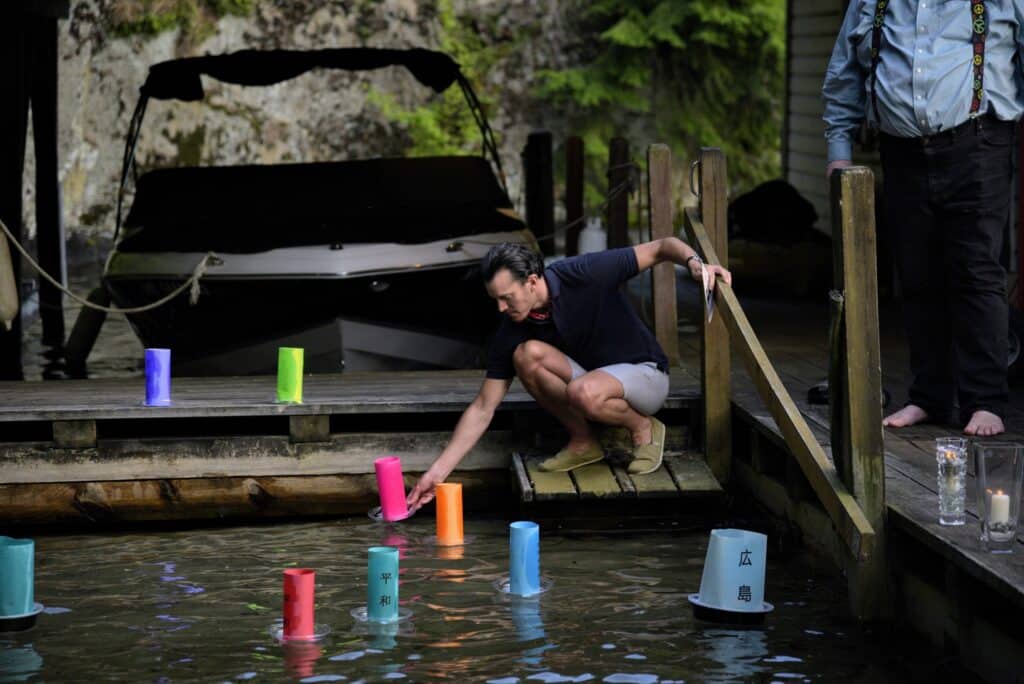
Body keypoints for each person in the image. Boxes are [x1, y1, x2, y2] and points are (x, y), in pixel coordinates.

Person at [406, 239, 731, 512]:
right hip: (592, 384)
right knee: (526, 355)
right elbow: (483, 407)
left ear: (532, 281)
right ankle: (583, 440)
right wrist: (437, 473)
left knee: (583, 391)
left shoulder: (584, 272)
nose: (501, 308)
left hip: (646, 375)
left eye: (507, 297)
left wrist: (695, 264)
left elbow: (662, 247)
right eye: (496, 300)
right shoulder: (512, 328)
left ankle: (642, 427)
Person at [822, 1, 1019, 436]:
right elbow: (844, 73)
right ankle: (928, 397)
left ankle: (985, 401)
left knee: (976, 272)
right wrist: (839, 149)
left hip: (979, 143)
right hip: (901, 151)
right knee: (917, 274)